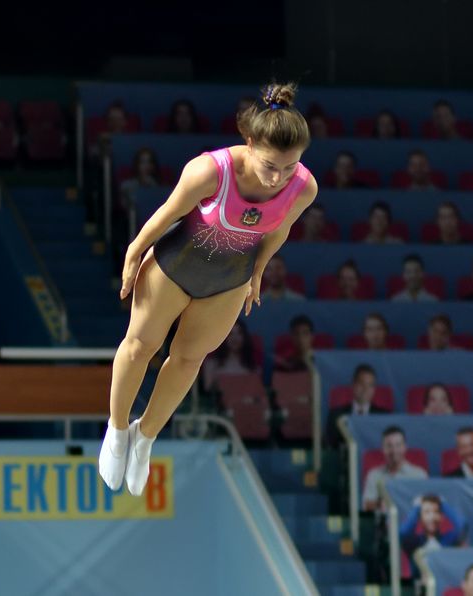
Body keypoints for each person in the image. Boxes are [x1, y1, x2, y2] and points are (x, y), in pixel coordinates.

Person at [99, 83, 318, 496]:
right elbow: (167, 213)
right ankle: (117, 428)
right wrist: (134, 251)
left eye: (290, 167)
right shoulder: (210, 171)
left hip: (228, 280)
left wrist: (258, 271)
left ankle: (145, 437)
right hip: (174, 265)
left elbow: (280, 229)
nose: (278, 178)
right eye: (270, 166)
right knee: (140, 347)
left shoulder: (304, 188)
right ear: (249, 143)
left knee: (188, 360)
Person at [361, 426, 428, 510]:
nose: (394, 450)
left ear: (405, 447)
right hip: (383, 517)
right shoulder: (374, 475)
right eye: (389, 446)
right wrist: (379, 504)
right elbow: (366, 505)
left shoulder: (419, 475)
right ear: (383, 449)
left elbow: (426, 506)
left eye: (398, 445)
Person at [325, 364, 389, 448]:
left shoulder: (384, 417)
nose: (365, 389)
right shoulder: (335, 415)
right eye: (361, 384)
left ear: (374, 389)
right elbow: (331, 446)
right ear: (353, 385)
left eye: (370, 385)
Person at [200, 319, 259, 392]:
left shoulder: (253, 368)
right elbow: (208, 390)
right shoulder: (210, 365)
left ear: (244, 337)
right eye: (230, 334)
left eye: (239, 333)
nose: (235, 338)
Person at [399, 494, 466, 555]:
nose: (432, 517)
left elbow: (462, 525)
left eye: (436, 512)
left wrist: (443, 504)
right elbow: (403, 532)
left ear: (441, 516)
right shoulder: (415, 541)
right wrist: (417, 507)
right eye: (427, 512)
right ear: (419, 517)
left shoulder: (448, 539)